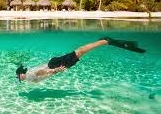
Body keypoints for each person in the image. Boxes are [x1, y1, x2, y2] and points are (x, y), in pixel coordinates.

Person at [15, 37, 146, 83]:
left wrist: (54, 70)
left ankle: (104, 41)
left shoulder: (29, 76)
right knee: (80, 51)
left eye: (18, 76)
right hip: (54, 65)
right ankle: (105, 41)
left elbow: (41, 73)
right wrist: (55, 70)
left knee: (80, 52)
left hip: (53, 64)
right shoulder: (30, 77)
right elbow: (41, 73)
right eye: (19, 77)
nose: (19, 77)